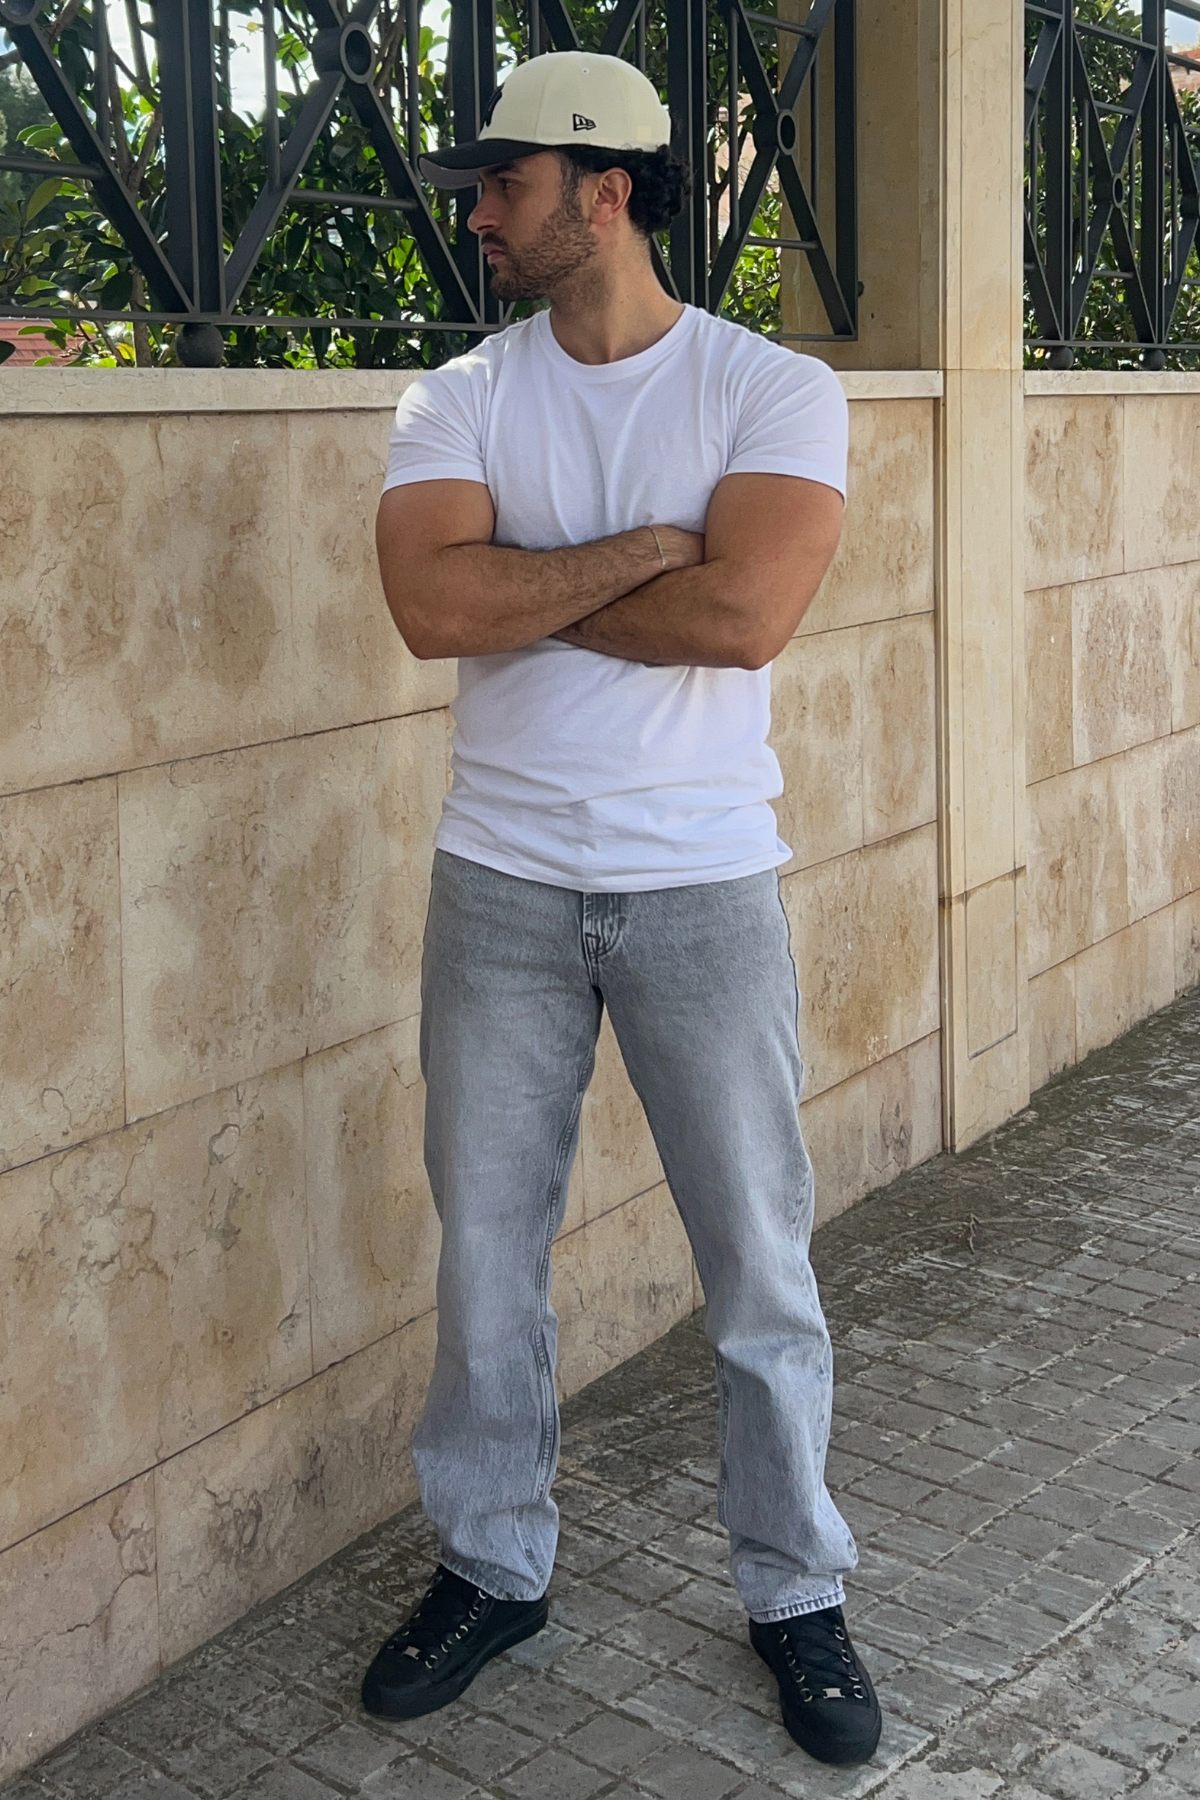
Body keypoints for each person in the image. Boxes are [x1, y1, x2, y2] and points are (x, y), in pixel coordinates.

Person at [361, 48, 881, 1768]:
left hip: (701, 880)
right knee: (487, 1258)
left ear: (604, 191)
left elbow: (745, 621)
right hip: (500, 882)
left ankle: (795, 1590)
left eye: (503, 188)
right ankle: (493, 1566)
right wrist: (651, 547)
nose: (480, 221)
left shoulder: (769, 388)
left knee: (758, 1264)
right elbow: (430, 611)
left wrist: (523, 589)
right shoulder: (458, 397)